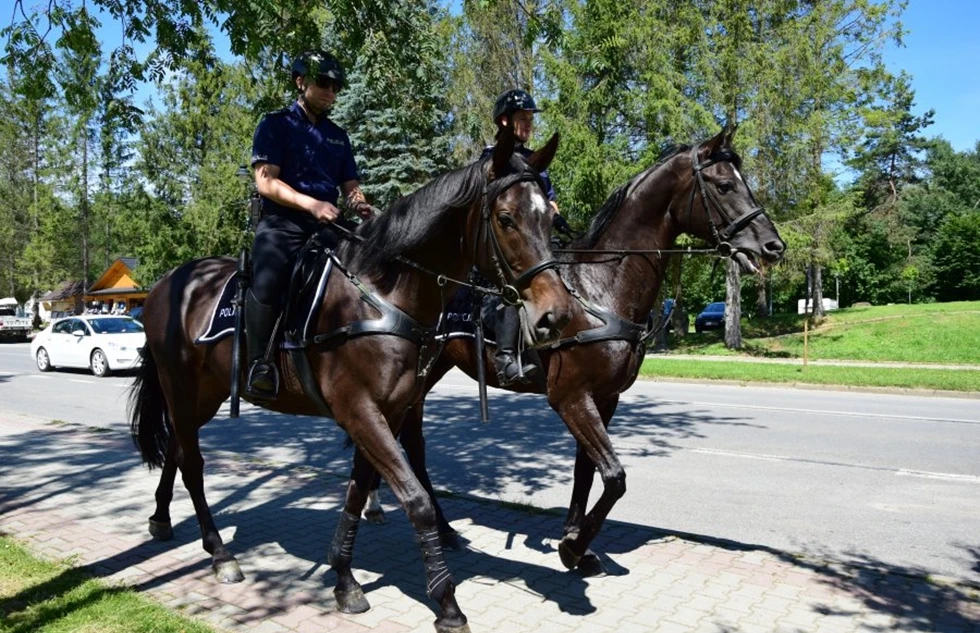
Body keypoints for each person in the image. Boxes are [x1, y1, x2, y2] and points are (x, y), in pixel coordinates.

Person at [246, 49, 376, 400]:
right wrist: (311, 203)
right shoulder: (275, 125)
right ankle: (260, 363)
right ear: (300, 82)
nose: (331, 92)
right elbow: (266, 181)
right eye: (324, 84)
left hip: (328, 226)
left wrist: (361, 205)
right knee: (269, 276)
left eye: (336, 87)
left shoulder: (337, 135)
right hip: (282, 224)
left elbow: (350, 186)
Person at [481, 89, 574, 386]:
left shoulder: (535, 161)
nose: (529, 124)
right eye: (523, 118)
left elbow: (547, 199)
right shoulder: (492, 157)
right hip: (505, 240)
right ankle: (505, 357)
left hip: (536, 234)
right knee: (515, 285)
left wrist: (557, 218)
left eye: (531, 119)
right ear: (504, 121)